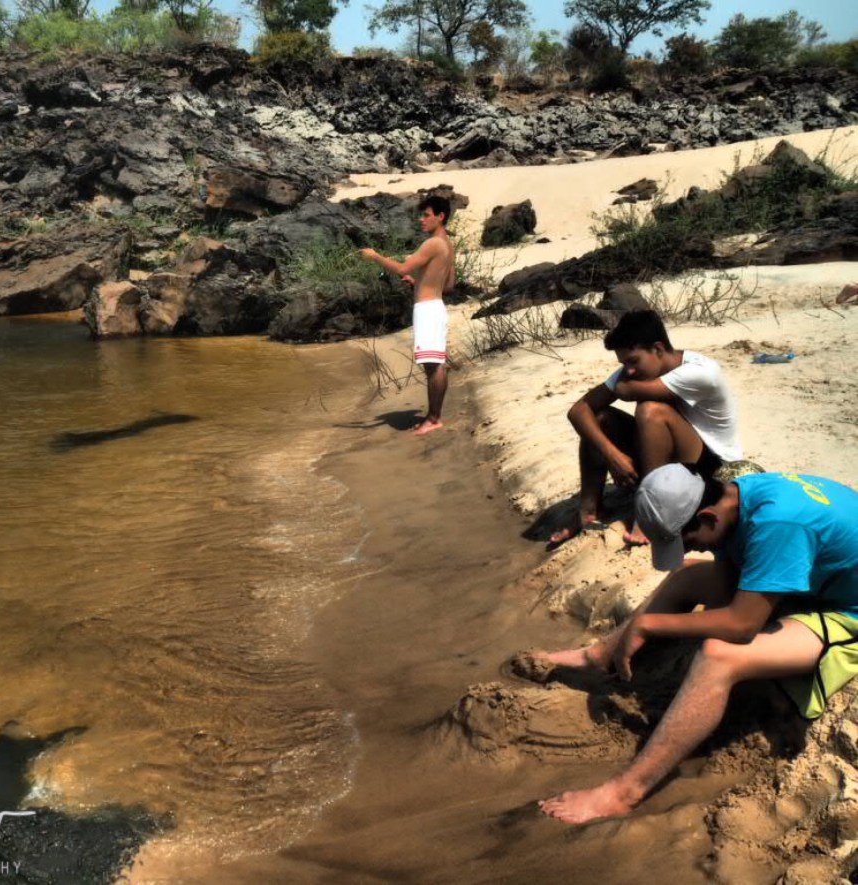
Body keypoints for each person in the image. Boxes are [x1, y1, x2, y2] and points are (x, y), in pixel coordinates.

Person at [535, 464, 858, 824]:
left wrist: (649, 623)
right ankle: (598, 655)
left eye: (688, 540)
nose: (694, 548)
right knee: (686, 574)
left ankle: (625, 793)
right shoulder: (738, 497)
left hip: (848, 610)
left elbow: (741, 625)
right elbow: (724, 579)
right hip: (821, 578)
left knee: (719, 655)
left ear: (706, 516)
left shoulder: (778, 524)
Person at [549, 309, 742, 547]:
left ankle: (649, 513)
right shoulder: (641, 370)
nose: (628, 370)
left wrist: (618, 387)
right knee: (600, 420)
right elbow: (579, 411)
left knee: (650, 409)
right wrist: (613, 455)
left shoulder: (701, 372)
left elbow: (628, 391)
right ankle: (589, 511)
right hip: (672, 457)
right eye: (623, 364)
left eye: (632, 362)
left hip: (713, 468)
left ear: (658, 349)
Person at [358, 195, 457, 436]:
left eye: (426, 215)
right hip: (434, 306)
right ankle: (433, 416)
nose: (421, 219)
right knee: (434, 364)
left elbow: (402, 267)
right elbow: (450, 285)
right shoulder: (447, 244)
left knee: (434, 366)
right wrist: (419, 281)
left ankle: (434, 419)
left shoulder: (432, 244)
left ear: (440, 216)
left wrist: (375, 256)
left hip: (428, 310)